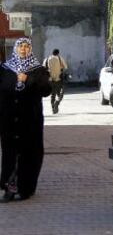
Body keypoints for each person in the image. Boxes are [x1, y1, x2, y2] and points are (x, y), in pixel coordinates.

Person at [0, 37, 51, 202]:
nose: (23, 49)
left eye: (26, 47)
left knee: (29, 154)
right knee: (10, 153)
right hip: (9, 120)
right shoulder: (5, 69)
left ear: (30, 49)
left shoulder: (38, 70)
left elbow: (46, 90)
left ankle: (25, 188)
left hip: (30, 120)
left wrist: (27, 80)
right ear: (15, 49)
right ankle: (9, 187)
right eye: (20, 47)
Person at [44, 49, 68, 114]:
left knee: (52, 95)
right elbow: (65, 67)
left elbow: (43, 69)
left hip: (50, 80)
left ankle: (53, 108)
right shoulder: (60, 58)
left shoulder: (47, 59)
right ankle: (57, 102)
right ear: (58, 53)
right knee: (60, 94)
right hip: (58, 79)